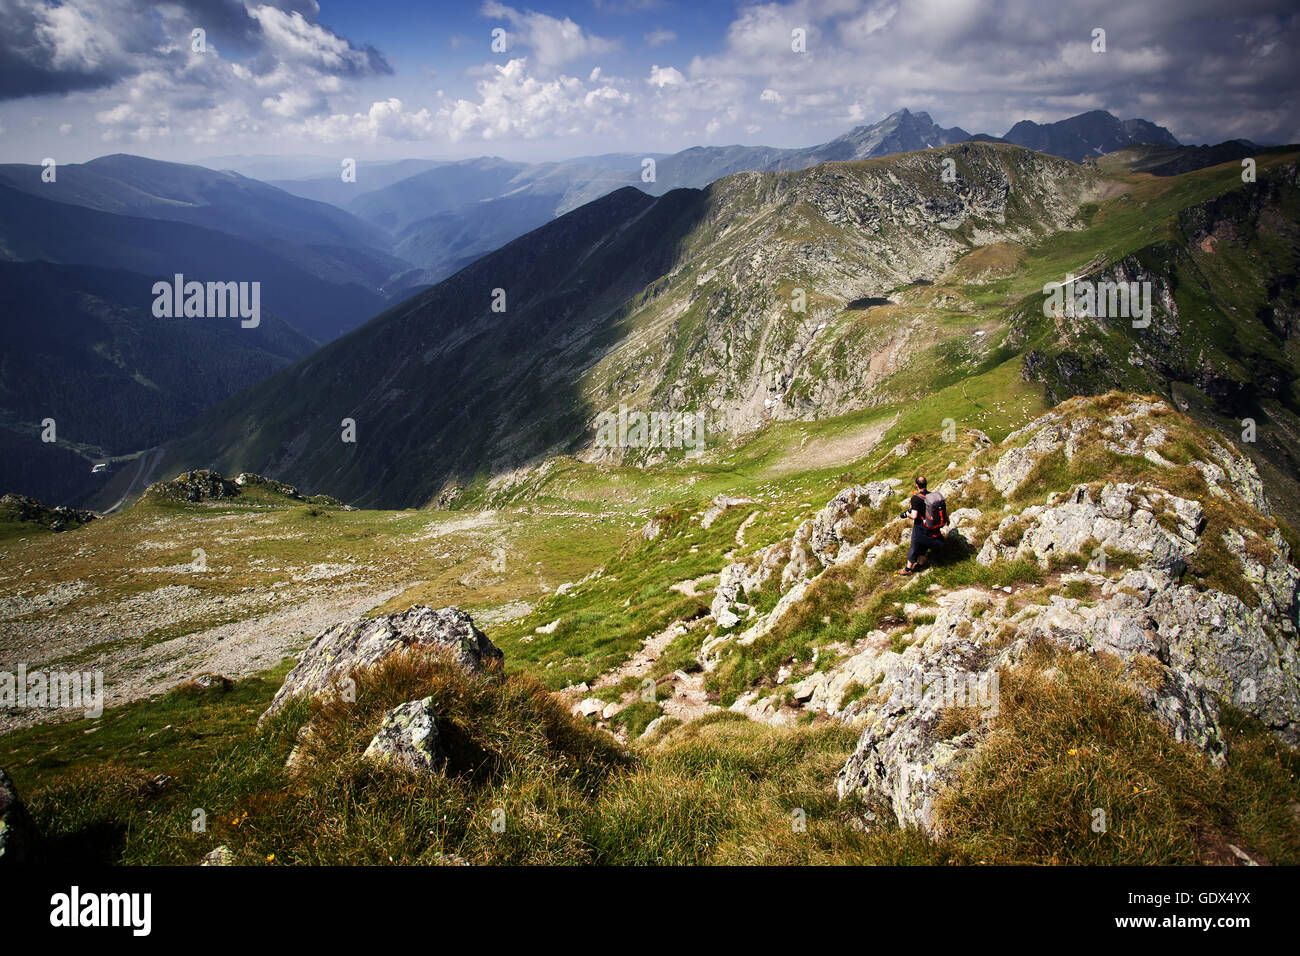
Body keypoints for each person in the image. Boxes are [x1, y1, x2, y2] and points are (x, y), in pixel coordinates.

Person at [896, 476, 944, 576]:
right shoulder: (931, 496)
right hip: (931, 526)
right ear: (926, 484)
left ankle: (908, 569)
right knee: (924, 545)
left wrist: (907, 515)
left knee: (914, 546)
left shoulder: (915, 499)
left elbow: (914, 515)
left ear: (916, 485)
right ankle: (920, 564)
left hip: (920, 527)